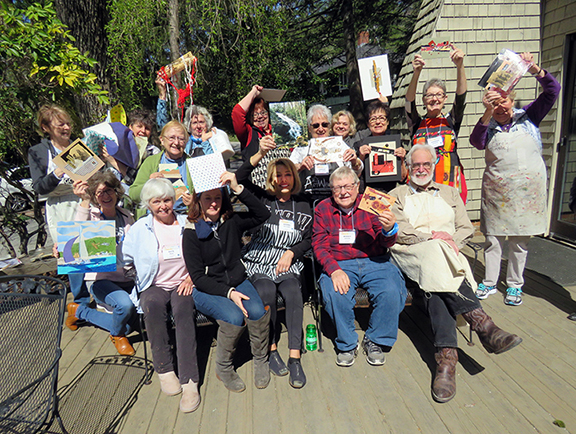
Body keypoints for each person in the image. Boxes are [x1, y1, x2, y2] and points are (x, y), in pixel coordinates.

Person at [388, 144, 522, 403]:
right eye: (416, 165)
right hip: (412, 252)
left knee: (436, 285)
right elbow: (400, 231)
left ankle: (447, 359)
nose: (421, 169)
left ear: (434, 165)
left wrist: (452, 243)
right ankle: (483, 325)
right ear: (408, 167)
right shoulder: (397, 195)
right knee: (435, 253)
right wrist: (433, 239)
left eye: (426, 164)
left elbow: (465, 228)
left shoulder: (450, 192)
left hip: (449, 255)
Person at [470, 52, 561, 306]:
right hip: (497, 193)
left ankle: (514, 285)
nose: (501, 108)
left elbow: (553, 90)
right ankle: (489, 282)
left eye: (504, 102)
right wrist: (486, 113)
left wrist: (534, 69)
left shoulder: (529, 116)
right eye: (495, 104)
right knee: (493, 240)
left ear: (512, 100)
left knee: (519, 242)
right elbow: (476, 142)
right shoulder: (487, 125)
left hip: (526, 193)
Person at [182, 172, 272, 392]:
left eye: (218, 198)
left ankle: (260, 359)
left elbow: (263, 214)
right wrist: (229, 293)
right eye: (207, 198)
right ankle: (223, 367)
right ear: (198, 201)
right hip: (207, 288)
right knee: (233, 317)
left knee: (257, 312)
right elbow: (198, 278)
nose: (213, 203)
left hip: (237, 280)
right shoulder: (191, 232)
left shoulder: (231, 221)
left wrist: (237, 188)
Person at [236, 136, 313, 388]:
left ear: (294, 177)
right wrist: (259, 153)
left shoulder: (304, 202)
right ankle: (270, 349)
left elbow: (309, 238)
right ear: (271, 178)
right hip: (261, 258)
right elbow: (240, 178)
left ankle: (295, 357)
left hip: (287, 261)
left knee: (293, 292)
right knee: (266, 291)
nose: (283, 179)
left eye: (288, 174)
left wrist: (292, 252)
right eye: (278, 175)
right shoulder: (263, 198)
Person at [312, 166, 406, 367]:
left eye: (348, 186)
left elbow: (386, 242)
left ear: (357, 186)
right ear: (331, 190)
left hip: (375, 260)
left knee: (391, 291)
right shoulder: (323, 208)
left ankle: (375, 340)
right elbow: (319, 245)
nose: (343, 192)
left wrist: (389, 229)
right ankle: (347, 343)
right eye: (337, 188)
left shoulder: (373, 202)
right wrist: (334, 270)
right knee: (335, 293)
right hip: (340, 263)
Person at [123, 178, 200, 413]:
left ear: (173, 200)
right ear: (148, 204)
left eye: (167, 200)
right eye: (156, 202)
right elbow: (125, 259)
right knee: (152, 305)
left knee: (183, 310)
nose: (163, 206)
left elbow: (203, 254)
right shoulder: (140, 228)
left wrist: (192, 277)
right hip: (154, 283)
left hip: (183, 282)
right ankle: (164, 369)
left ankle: (189, 381)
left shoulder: (187, 222)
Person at [64, 172, 136, 356]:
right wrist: (85, 200)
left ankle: (78, 310)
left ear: (116, 192)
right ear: (94, 197)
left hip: (127, 278)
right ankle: (117, 336)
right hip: (101, 279)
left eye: (109, 190)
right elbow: (74, 235)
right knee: (125, 307)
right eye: (99, 192)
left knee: (129, 325)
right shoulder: (91, 216)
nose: (105, 196)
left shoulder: (127, 215)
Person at [28, 104, 89, 305]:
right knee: (72, 256)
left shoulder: (78, 148)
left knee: (93, 251)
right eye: (60, 125)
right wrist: (57, 172)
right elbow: (39, 187)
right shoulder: (38, 151)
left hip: (84, 201)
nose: (66, 128)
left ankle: (99, 298)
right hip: (59, 208)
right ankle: (80, 304)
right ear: (46, 128)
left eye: (68, 124)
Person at [405, 46, 468, 203]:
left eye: (439, 95)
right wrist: (416, 73)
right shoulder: (417, 123)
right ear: (423, 100)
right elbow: (408, 101)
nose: (434, 99)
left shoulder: (451, 121)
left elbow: (461, 96)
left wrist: (460, 66)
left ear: (445, 98)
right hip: (422, 182)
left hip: (450, 181)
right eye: (430, 95)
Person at [291, 104, 363, 203]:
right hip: (307, 201)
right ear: (309, 128)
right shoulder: (301, 148)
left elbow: (357, 172)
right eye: (316, 125)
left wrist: (354, 161)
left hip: (335, 201)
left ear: (330, 126)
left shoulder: (339, 145)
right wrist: (300, 166)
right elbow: (288, 170)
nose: (321, 129)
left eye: (324, 124)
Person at [129, 120, 193, 218]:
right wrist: (149, 183)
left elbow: (207, 197)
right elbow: (133, 194)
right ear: (162, 140)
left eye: (181, 139)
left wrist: (194, 201)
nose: (176, 143)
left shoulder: (193, 164)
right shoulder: (151, 162)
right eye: (172, 138)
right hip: (154, 217)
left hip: (184, 216)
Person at [232, 85, 290, 187]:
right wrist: (254, 92)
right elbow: (237, 113)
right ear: (250, 117)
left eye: (263, 112)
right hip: (258, 190)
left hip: (284, 187)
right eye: (255, 114)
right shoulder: (248, 133)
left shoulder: (281, 130)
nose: (260, 117)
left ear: (269, 113)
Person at [355, 101, 407, 192]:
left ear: (387, 122)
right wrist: (361, 158)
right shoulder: (360, 145)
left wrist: (401, 160)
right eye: (373, 119)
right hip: (368, 193)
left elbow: (402, 178)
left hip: (391, 192)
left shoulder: (395, 144)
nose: (378, 122)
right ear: (368, 124)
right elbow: (355, 176)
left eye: (382, 118)